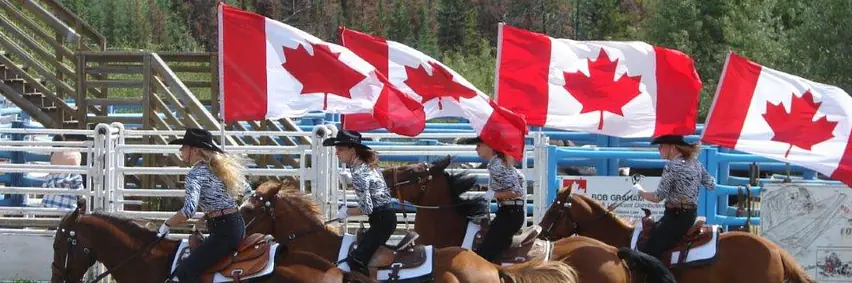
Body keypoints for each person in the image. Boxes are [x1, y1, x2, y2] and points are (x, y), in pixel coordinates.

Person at [160, 128, 249, 282]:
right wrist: (211, 214)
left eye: (184, 147)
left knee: (186, 271)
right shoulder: (220, 169)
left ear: (194, 150)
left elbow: (188, 211)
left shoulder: (195, 174)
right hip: (235, 225)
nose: (180, 150)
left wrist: (166, 225)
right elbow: (246, 191)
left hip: (223, 232)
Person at [324, 130, 396, 276]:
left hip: (382, 221)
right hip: (384, 219)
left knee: (356, 260)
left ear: (353, 150)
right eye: (336, 149)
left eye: (340, 149)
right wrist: (351, 181)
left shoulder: (358, 172)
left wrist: (346, 212)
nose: (337, 153)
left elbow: (366, 208)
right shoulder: (367, 166)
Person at [632, 134, 715, 261]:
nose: (659, 149)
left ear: (672, 147)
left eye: (662, 146)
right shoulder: (696, 164)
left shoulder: (672, 166)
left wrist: (640, 191)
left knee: (648, 251)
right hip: (690, 215)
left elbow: (657, 197)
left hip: (675, 218)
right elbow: (711, 184)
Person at [462, 136, 525, 263]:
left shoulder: (497, 166)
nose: (476, 149)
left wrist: (493, 194)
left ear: (489, 146)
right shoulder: (498, 163)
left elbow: (516, 192)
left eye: (479, 145)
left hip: (509, 214)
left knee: (485, 254)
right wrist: (485, 188)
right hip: (511, 213)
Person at [41, 134, 84, 209]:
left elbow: (47, 181)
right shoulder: (76, 155)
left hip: (48, 201)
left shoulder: (55, 154)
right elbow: (76, 182)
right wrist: (82, 196)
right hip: (66, 204)